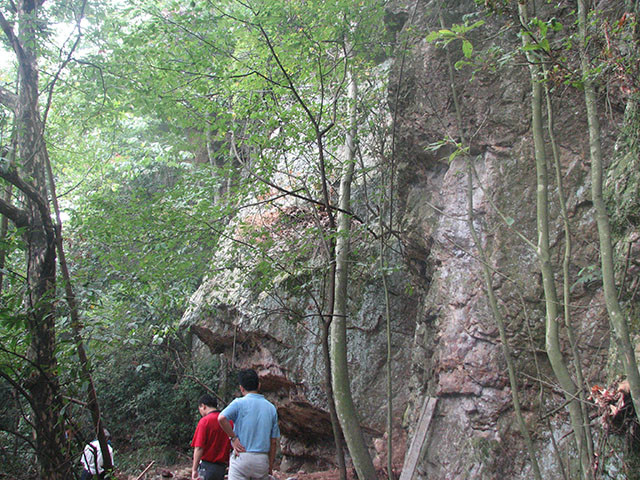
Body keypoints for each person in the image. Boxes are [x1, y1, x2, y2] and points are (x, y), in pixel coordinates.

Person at [218, 369, 281, 480]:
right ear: (259, 386)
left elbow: (222, 418)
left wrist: (233, 438)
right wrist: (270, 466)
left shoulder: (238, 403)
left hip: (241, 456)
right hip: (261, 459)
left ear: (241, 388)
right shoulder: (271, 408)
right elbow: (273, 442)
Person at [191, 394, 233, 480]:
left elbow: (199, 447)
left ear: (203, 406)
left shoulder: (205, 421)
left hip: (207, 466)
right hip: (222, 467)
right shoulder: (228, 421)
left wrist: (194, 469)